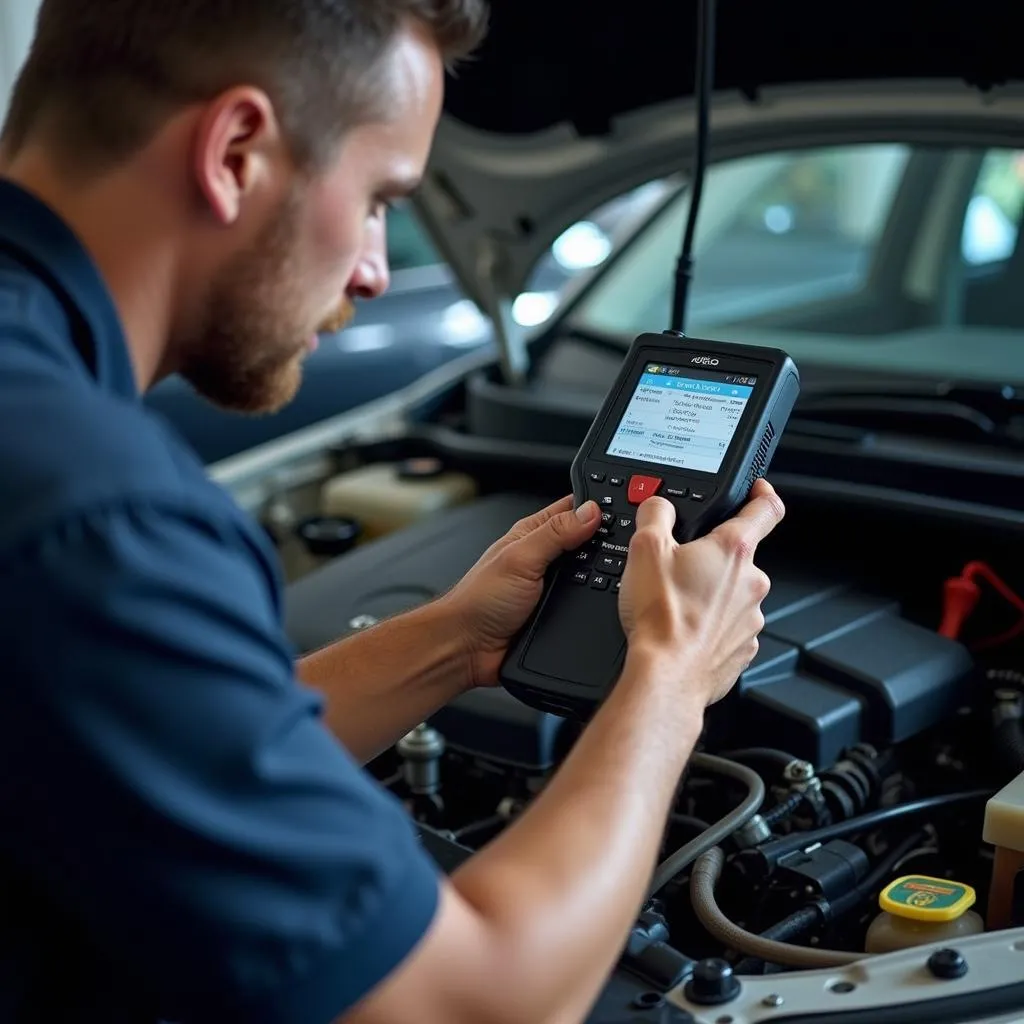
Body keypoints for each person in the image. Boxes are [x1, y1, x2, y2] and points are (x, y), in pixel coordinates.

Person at [0, 1, 785, 1021]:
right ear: (235, 150)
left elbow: (166, 753)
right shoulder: (97, 511)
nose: (374, 267)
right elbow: (468, 1002)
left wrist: (459, 640)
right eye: (378, 197)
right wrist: (671, 677)